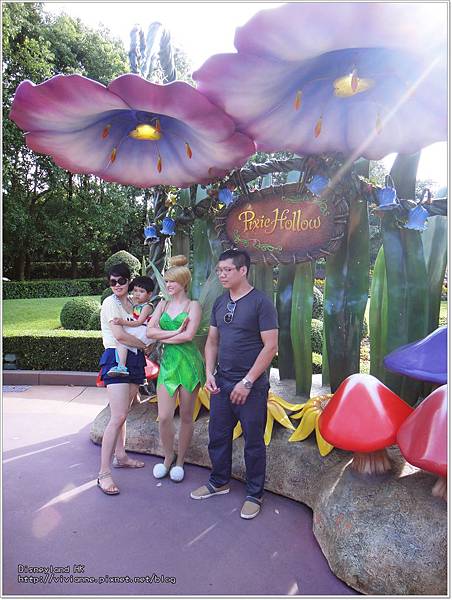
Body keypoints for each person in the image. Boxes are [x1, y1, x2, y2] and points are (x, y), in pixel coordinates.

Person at [190, 249, 278, 519]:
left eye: (227, 270)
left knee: (253, 441)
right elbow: (212, 341)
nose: (222, 275)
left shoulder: (261, 303)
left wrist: (247, 382)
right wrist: (209, 373)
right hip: (222, 382)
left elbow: (270, 347)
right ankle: (219, 481)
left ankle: (254, 493)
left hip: (251, 387)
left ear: (243, 271)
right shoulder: (220, 302)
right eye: (219, 270)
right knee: (217, 435)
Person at [146, 255, 206, 482]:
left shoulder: (193, 306)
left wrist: (164, 336)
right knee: (164, 417)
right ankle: (167, 457)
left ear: (183, 282)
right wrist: (174, 333)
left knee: (187, 417)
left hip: (189, 364)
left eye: (172, 281)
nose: (168, 285)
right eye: (166, 281)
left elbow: (188, 336)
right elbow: (149, 332)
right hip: (169, 365)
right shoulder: (162, 305)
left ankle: (180, 461)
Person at [97, 263, 151, 495]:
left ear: (129, 280)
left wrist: (144, 345)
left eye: (121, 281)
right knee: (117, 415)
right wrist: (145, 345)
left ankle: (121, 456)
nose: (117, 285)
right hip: (116, 357)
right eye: (113, 281)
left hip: (135, 359)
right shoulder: (110, 303)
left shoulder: (133, 302)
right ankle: (103, 473)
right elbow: (119, 335)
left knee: (124, 413)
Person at [107, 275, 155, 377]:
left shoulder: (147, 307)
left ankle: (121, 366)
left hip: (144, 330)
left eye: (141, 291)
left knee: (121, 339)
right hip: (141, 330)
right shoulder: (137, 304)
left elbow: (139, 322)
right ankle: (122, 365)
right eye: (135, 290)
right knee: (122, 340)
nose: (137, 294)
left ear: (150, 294)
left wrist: (122, 322)